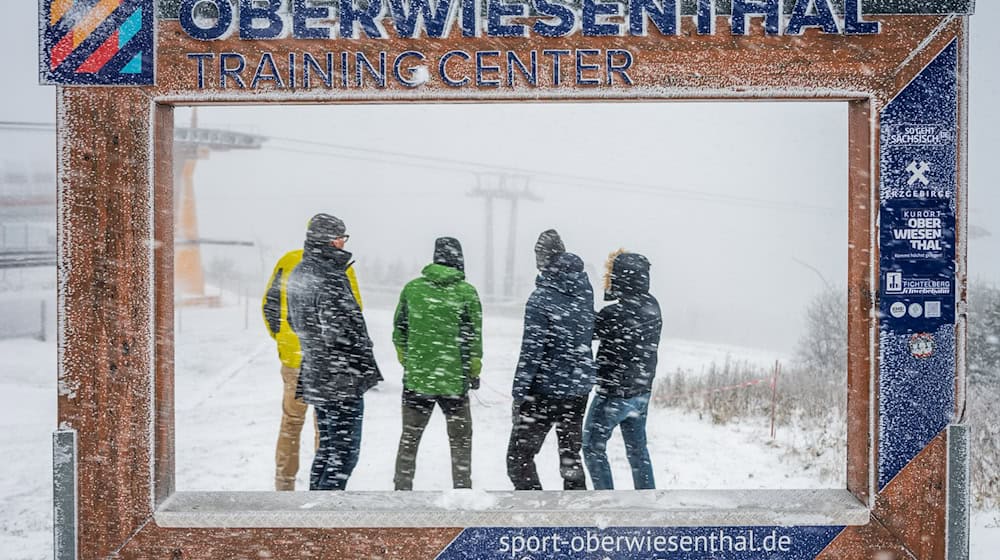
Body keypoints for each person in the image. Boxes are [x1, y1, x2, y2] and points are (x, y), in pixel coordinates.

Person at [286, 213, 381, 491]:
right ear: (329, 240)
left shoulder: (300, 272)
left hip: (317, 372)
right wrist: (361, 355)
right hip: (340, 379)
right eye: (341, 237)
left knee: (327, 449)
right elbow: (341, 331)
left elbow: (295, 322)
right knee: (344, 455)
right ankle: (325, 521)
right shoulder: (329, 275)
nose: (343, 243)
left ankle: (314, 509)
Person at [261, 231, 363, 491]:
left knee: (291, 423)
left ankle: (284, 486)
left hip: (295, 359)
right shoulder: (339, 267)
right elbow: (355, 311)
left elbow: (269, 305)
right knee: (327, 428)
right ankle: (322, 489)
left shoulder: (289, 261)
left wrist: (284, 339)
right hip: (327, 362)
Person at [506, 229, 596, 491]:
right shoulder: (584, 291)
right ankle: (576, 519)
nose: (536, 258)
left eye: (539, 253)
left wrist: (518, 394)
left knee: (518, 460)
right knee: (570, 460)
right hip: (578, 389)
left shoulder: (540, 299)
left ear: (547, 257)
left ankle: (537, 517)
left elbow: (531, 352)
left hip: (545, 391)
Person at [392, 237, 483, 490]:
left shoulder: (412, 289)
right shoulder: (467, 292)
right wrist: (473, 372)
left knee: (409, 438)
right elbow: (474, 338)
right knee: (461, 441)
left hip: (417, 380)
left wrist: (410, 362)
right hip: (454, 380)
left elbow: (399, 332)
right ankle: (462, 490)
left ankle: (402, 490)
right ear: (459, 260)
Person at [582, 250, 662, 490]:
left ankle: (607, 501)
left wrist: (586, 296)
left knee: (593, 446)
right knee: (638, 451)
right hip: (641, 393)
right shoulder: (652, 306)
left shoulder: (614, 314)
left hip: (613, 394)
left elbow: (589, 330)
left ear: (621, 279)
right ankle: (647, 499)